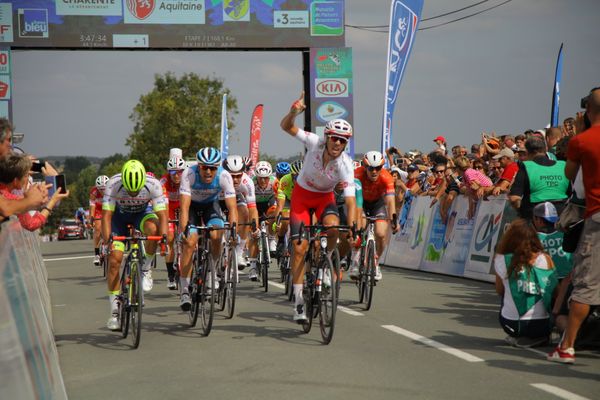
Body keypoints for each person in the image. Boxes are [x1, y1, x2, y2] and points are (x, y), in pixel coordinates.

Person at [280, 92, 356, 322]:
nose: (338, 143)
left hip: (325, 199)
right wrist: (293, 112)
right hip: (302, 197)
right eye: (335, 138)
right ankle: (300, 302)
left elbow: (351, 200)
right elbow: (286, 127)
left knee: (334, 228)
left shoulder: (345, 165)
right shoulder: (315, 142)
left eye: (343, 140)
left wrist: (351, 226)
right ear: (328, 137)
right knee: (300, 247)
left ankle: (325, 262)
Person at [548, 87, 600, 364]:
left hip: (595, 216)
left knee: (585, 283)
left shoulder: (584, 141)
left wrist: (579, 135)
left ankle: (567, 345)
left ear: (588, 111)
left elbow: (570, 176)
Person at [101, 160, 168, 330]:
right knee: (115, 260)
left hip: (142, 214)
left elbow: (163, 216)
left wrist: (164, 238)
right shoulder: (113, 184)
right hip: (119, 218)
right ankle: (115, 311)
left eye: (136, 190)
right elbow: (107, 216)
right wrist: (107, 240)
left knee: (154, 229)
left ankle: (145, 268)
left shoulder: (153, 185)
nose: (132, 193)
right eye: (129, 190)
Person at [178, 147, 238, 311]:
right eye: (205, 167)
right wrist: (183, 230)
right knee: (190, 242)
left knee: (217, 234)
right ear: (199, 166)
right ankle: (184, 290)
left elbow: (232, 208)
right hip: (192, 207)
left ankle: (212, 272)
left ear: (217, 167)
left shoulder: (224, 175)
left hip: (211, 207)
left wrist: (233, 231)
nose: (209, 171)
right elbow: (184, 207)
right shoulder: (189, 174)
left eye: (213, 167)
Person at [494, 219, 558, 347]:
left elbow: (499, 290)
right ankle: (540, 335)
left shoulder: (501, 258)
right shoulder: (546, 259)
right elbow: (556, 291)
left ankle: (517, 334)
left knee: (506, 292)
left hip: (510, 325)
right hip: (542, 326)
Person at [352, 151, 398, 281]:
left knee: (381, 233)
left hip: (378, 203)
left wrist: (394, 220)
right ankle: (355, 260)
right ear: (365, 167)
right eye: (371, 168)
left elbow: (390, 201)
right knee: (359, 227)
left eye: (378, 168)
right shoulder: (357, 174)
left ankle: (376, 264)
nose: (374, 171)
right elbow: (353, 198)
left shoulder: (387, 177)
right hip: (361, 202)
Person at [0, 153, 69, 231]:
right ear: (15, 181)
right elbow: (31, 224)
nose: (27, 178)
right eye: (26, 176)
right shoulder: (13, 199)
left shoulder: (8, 194)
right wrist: (52, 201)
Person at [509, 137, 569, 220]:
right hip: (561, 217)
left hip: (534, 218)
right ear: (546, 150)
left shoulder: (526, 166)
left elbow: (514, 198)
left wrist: (521, 212)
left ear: (527, 152)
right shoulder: (563, 165)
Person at [160, 156, 186, 289]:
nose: (176, 175)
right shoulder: (163, 182)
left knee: (187, 235)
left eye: (179, 172)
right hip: (168, 207)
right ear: (168, 172)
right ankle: (170, 275)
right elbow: (162, 206)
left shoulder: (187, 180)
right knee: (169, 237)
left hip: (182, 206)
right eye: (173, 172)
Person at [90, 175, 109, 265]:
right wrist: (91, 218)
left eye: (104, 189)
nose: (102, 191)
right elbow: (92, 206)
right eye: (100, 189)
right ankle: (97, 254)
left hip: (108, 208)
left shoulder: (112, 190)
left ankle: (108, 245)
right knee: (97, 228)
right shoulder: (94, 192)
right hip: (98, 209)